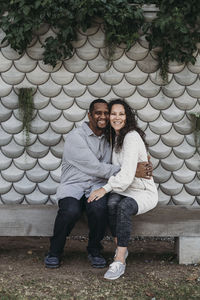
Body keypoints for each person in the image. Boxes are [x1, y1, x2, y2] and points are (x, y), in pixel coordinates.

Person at [44, 99, 153, 269]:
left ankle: (94, 250)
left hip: (96, 187)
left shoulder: (110, 137)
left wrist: (141, 159)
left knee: (99, 209)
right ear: (89, 115)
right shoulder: (75, 137)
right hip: (74, 186)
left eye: (106, 113)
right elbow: (95, 167)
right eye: (98, 113)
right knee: (70, 211)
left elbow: (125, 154)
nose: (103, 116)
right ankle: (54, 251)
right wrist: (131, 171)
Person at [88, 99, 158, 280]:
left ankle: (119, 259)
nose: (116, 117)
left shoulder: (131, 137)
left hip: (143, 191)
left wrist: (104, 188)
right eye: (113, 114)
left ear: (127, 117)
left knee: (123, 206)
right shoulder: (116, 136)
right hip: (126, 188)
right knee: (111, 203)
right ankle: (122, 247)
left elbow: (126, 175)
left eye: (121, 114)